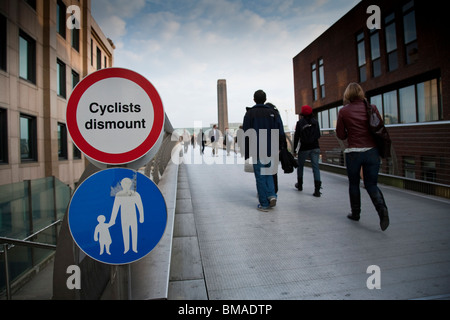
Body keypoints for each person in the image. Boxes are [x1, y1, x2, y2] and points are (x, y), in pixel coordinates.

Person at [336, 82, 389, 231]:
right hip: (372, 151)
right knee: (371, 184)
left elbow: (340, 134)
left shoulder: (343, 111)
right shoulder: (372, 108)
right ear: (360, 93)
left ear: (348, 95)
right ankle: (382, 210)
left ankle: (356, 213)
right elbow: (378, 127)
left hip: (354, 152)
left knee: (354, 184)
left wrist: (349, 134)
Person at [243, 90, 285, 212]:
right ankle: (272, 195)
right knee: (269, 173)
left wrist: (246, 152)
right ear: (265, 99)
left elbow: (246, 134)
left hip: (257, 149)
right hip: (271, 148)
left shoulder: (250, 113)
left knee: (260, 176)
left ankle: (264, 204)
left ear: (254, 99)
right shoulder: (273, 112)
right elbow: (280, 131)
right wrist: (281, 147)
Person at [293, 105, 322, 197]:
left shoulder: (299, 123)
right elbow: (318, 135)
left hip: (304, 148)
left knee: (300, 166)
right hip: (315, 147)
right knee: (315, 167)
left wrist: (294, 150)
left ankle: (300, 185)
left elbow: (296, 137)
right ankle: (317, 190)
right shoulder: (316, 122)